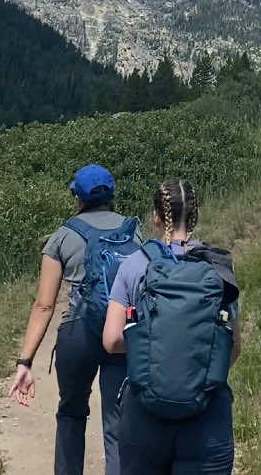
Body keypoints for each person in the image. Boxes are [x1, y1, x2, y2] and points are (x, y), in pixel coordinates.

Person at [9, 164, 142, 475]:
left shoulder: (62, 236)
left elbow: (44, 306)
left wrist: (24, 361)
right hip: (121, 333)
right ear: (111, 196)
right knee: (118, 422)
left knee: (71, 413)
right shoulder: (132, 230)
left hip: (79, 332)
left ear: (77, 198)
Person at [103, 179, 240, 475]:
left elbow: (112, 340)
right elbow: (233, 348)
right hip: (207, 416)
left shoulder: (134, 265)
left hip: (144, 412)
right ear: (195, 217)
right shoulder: (218, 268)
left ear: (155, 217)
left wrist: (151, 342)